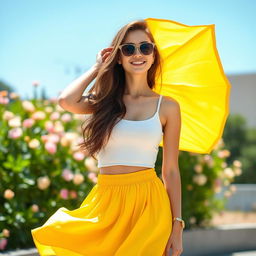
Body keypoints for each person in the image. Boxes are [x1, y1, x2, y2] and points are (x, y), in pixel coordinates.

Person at [31, 19, 184, 256]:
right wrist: (97, 68)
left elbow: (171, 171)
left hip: (149, 205)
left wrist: (177, 226)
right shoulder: (104, 102)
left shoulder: (168, 107)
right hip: (106, 201)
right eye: (128, 48)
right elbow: (66, 101)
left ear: (154, 55)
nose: (138, 54)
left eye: (145, 47)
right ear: (119, 57)